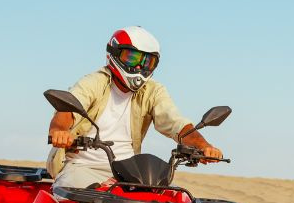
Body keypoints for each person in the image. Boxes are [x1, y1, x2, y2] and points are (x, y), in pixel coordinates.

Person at [46, 26, 222, 189]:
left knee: (169, 201)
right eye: (132, 58)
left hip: (129, 172)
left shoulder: (153, 91)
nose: (139, 67)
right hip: (82, 167)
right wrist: (60, 131)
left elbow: (175, 122)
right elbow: (68, 109)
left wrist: (204, 146)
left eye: (147, 62)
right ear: (114, 53)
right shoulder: (94, 82)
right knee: (71, 197)